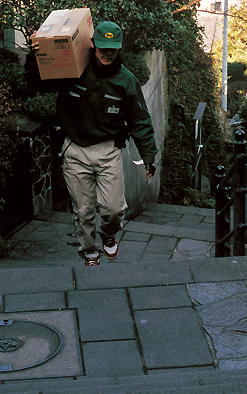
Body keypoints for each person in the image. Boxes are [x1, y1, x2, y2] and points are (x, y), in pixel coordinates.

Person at [25, 20, 157, 266]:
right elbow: (37, 83)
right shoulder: (73, 69)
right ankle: (89, 251)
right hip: (74, 149)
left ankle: (108, 235)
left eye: (113, 49)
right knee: (83, 210)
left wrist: (149, 156)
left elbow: (140, 120)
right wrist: (35, 54)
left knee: (113, 209)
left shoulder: (126, 81)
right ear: (93, 45)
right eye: (103, 47)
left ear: (120, 49)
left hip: (107, 151)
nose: (107, 54)